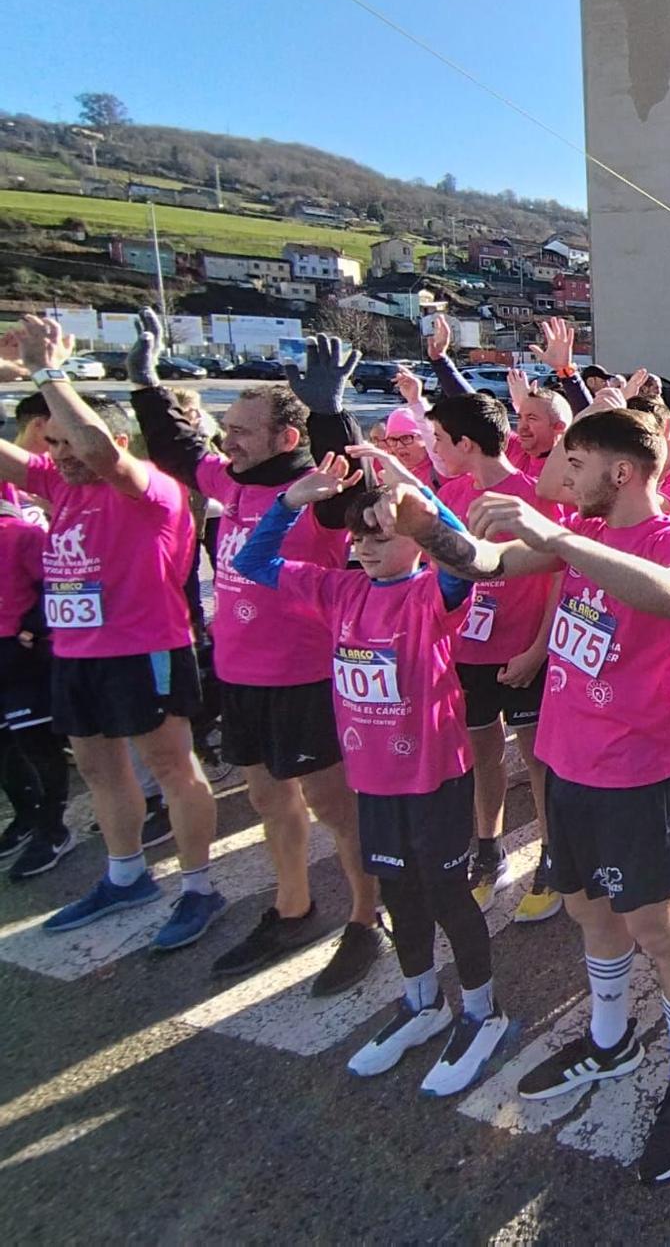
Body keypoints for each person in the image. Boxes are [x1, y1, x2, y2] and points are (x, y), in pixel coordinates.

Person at [399, 407, 670, 1184]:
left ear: (621, 474)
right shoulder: (583, 537)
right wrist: (417, 514)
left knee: (656, 923)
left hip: (636, 775)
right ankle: (611, 1041)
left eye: (577, 465)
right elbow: (481, 562)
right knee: (585, 906)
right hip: (567, 766)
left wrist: (562, 538)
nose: (562, 480)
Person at [237, 457, 512, 1095]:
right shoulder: (340, 591)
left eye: (379, 536)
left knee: (448, 898)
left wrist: (419, 498)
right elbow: (254, 566)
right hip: (375, 781)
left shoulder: (433, 592)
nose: (362, 547)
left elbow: (469, 556)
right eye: (357, 537)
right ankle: (422, 1001)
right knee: (398, 894)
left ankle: (482, 1011)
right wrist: (288, 503)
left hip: (435, 777)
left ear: (413, 542)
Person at [129, 317, 383, 991]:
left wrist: (333, 413)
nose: (225, 440)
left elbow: (359, 498)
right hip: (240, 676)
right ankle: (292, 908)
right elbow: (181, 449)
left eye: (240, 430)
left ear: (287, 439)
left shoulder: (317, 494)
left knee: (339, 810)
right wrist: (145, 382)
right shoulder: (234, 482)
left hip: (307, 680)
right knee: (272, 801)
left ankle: (367, 918)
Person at [0, 316, 221, 951]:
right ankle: (126, 875)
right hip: (76, 652)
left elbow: (98, 451)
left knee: (171, 766)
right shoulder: (54, 484)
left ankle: (200, 885)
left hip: (142, 649)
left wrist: (50, 372)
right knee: (99, 767)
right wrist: (17, 376)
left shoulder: (147, 490)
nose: (62, 457)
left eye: (70, 444)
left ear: (115, 440)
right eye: (55, 447)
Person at [426, 392, 560, 916]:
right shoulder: (453, 494)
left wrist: (537, 649)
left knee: (538, 759)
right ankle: (489, 852)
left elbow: (558, 577)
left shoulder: (531, 494)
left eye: (439, 440)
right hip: (467, 651)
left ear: (465, 442)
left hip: (525, 652)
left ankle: (553, 857)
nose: (433, 449)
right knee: (482, 756)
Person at [0, 484, 67, 880]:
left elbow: (57, 582)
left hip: (22, 661)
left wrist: (32, 630)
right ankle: (25, 817)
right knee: (4, 749)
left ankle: (53, 828)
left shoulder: (20, 533)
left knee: (36, 745)